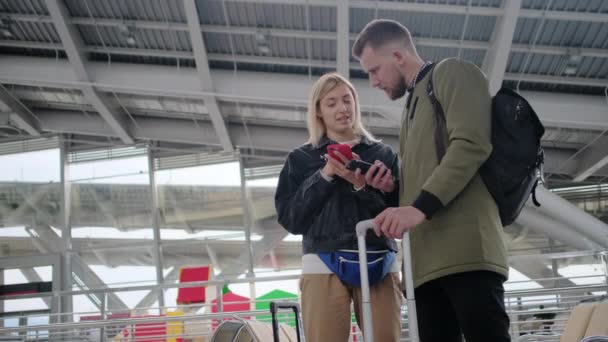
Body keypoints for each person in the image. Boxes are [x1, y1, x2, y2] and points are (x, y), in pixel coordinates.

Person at [352, 19, 511, 342]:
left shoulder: (453, 73)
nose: (373, 82)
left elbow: (471, 144)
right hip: (424, 265)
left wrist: (417, 209)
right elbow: (427, 176)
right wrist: (392, 189)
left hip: (466, 252)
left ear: (398, 56)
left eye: (374, 70)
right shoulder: (414, 104)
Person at [275, 72, 402, 341]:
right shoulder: (300, 159)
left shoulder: (383, 155)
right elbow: (292, 219)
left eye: (347, 100)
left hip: (379, 257)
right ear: (318, 111)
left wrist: (360, 186)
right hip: (322, 262)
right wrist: (326, 174)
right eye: (331, 103)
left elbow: (399, 215)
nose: (342, 108)